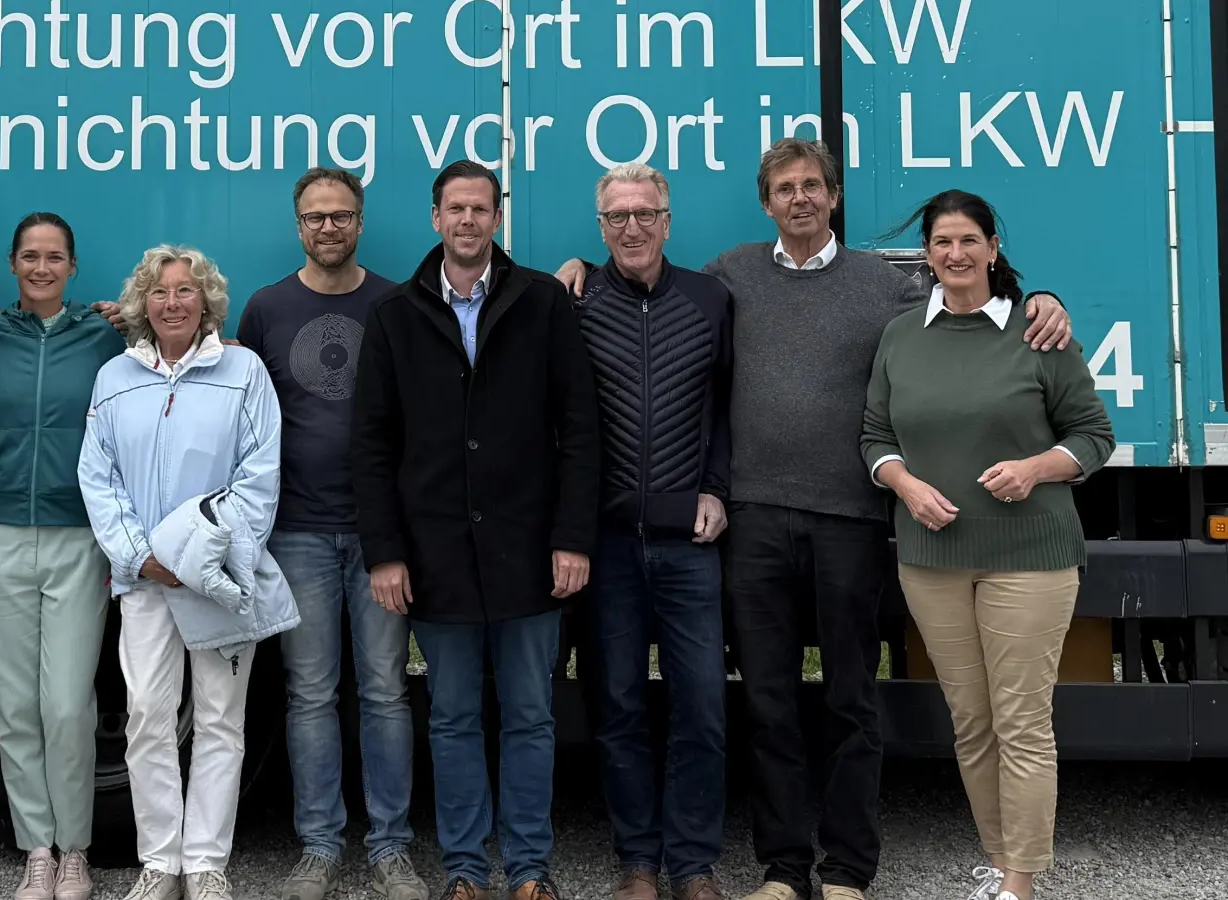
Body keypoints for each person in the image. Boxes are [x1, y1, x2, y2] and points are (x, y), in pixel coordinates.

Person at [554, 138, 1073, 900]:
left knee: (851, 698)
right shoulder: (729, 274)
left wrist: (1040, 298)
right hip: (755, 519)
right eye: (784, 188)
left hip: (850, 517)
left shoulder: (883, 281)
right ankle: (783, 867)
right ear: (766, 203)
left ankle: (848, 870)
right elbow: (642, 286)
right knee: (766, 698)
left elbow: (967, 298)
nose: (799, 199)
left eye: (812, 187)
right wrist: (577, 270)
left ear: (833, 197)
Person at [351, 159, 602, 900]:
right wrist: (386, 553)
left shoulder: (543, 303)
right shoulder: (396, 316)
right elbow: (371, 445)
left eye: (480, 209)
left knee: (530, 716)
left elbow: (579, 429)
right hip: (434, 560)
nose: (467, 221)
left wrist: (572, 537)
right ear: (436, 217)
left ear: (498, 218)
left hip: (531, 553)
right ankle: (465, 869)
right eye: (455, 209)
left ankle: (528, 867)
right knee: (454, 718)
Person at [861, 190, 1114, 900]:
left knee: (1022, 721)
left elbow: (1094, 437)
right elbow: (875, 436)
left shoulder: (1037, 333)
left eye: (969, 240)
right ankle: (1004, 864)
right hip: (932, 559)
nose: (956, 254)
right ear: (929, 256)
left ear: (993, 249)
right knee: (972, 723)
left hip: (1030, 555)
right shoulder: (902, 336)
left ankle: (1020, 887)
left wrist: (1036, 469)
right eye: (942, 242)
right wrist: (905, 487)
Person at [78, 242, 299, 900]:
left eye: (184, 291)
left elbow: (260, 479)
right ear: (142, 303)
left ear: (207, 301)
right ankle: (160, 863)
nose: (172, 302)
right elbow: (99, 476)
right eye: (159, 292)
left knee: (220, 720)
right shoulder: (115, 377)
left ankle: (205, 863)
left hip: (217, 581)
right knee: (147, 715)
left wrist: (202, 556)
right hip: (145, 581)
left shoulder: (243, 371)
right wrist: (141, 556)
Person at [237, 168, 428, 900]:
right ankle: (317, 847)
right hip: (298, 533)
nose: (328, 228)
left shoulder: (394, 304)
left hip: (380, 536)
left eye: (341, 216)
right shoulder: (265, 309)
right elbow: (244, 413)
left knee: (384, 691)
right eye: (315, 217)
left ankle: (390, 851)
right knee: (310, 693)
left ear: (360, 222)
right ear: (298, 226)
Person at [563, 163, 733, 900]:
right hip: (605, 544)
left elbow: (731, 406)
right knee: (619, 706)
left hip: (687, 543)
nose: (631, 227)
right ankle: (638, 859)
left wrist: (718, 488)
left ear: (668, 220)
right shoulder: (571, 299)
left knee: (701, 705)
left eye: (645, 213)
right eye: (616, 216)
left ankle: (693, 862)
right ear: (599, 227)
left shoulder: (708, 298)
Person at [0, 212, 128, 900]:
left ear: (72, 267)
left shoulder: (102, 335)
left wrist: (136, 320)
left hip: (77, 536)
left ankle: (77, 853)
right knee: (13, 704)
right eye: (30, 256)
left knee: (67, 704)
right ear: (12, 266)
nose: (41, 267)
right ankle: (38, 849)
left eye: (54, 257)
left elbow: (194, 340)